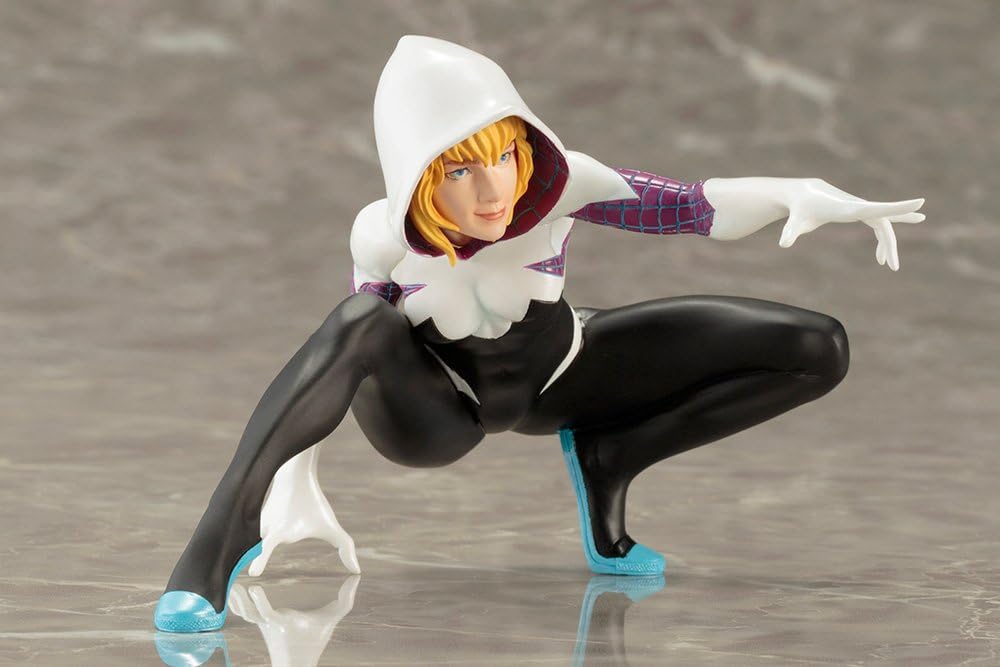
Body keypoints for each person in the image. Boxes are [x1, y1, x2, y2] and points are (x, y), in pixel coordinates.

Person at [154, 36, 925, 632]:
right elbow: (341, 361)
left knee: (817, 347)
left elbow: (691, 207)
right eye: (460, 171)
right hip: (441, 415)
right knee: (360, 318)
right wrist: (295, 478)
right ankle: (220, 539)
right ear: (416, 175)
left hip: (565, 373)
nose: (495, 189)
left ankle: (614, 453)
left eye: (504, 156)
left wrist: (796, 191)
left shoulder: (563, 187)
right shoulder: (381, 237)